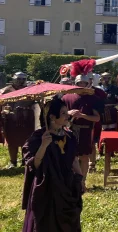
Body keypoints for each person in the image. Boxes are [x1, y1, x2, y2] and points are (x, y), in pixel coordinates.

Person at [22, 97, 84, 231]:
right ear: (51, 116)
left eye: (67, 112)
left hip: (67, 183)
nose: (67, 115)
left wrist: (81, 179)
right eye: (63, 113)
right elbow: (34, 165)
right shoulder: (38, 137)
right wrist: (43, 145)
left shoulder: (69, 135)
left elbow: (73, 159)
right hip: (47, 186)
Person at [63, 59, 100, 179]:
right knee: (69, 155)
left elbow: (97, 118)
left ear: (87, 84)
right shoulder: (66, 97)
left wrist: (83, 116)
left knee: (84, 157)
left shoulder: (92, 98)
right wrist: (68, 113)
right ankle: (69, 179)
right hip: (69, 130)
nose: (82, 86)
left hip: (85, 131)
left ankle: (82, 180)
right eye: (80, 84)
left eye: (84, 84)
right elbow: (59, 115)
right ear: (76, 83)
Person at [0, 72, 35, 169]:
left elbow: (35, 102)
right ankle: (13, 162)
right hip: (11, 119)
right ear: (14, 79)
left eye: (23, 79)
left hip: (26, 119)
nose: (21, 81)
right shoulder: (7, 90)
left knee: (26, 142)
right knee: (12, 142)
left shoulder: (30, 90)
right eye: (19, 79)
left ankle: (25, 160)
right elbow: (1, 102)